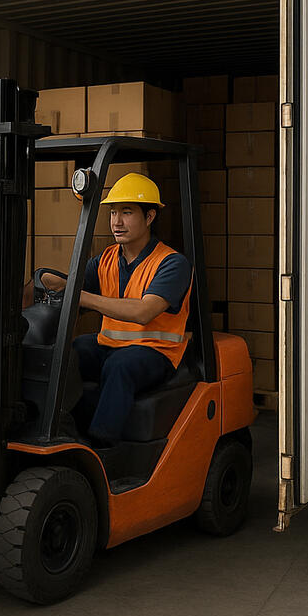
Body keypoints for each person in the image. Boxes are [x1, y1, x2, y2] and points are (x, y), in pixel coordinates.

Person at [38, 172, 193, 446]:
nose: (116, 222)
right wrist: (45, 286)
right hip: (109, 345)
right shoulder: (105, 260)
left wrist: (79, 296)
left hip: (157, 352)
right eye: (113, 213)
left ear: (150, 217)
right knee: (68, 354)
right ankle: (63, 426)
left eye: (127, 212)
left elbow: (143, 311)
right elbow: (73, 294)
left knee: (119, 366)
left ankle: (102, 442)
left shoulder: (171, 263)